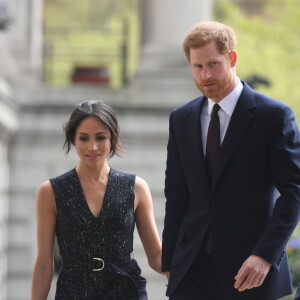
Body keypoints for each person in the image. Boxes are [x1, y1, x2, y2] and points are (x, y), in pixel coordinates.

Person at [161, 21, 300, 300]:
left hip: (249, 269)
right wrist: (170, 263)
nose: (205, 75)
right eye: (197, 67)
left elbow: (294, 191)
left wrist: (264, 255)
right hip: (193, 269)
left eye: (213, 64)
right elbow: (176, 195)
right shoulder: (181, 119)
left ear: (232, 58)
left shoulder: (273, 116)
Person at [31, 100, 163, 299]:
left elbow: (157, 257)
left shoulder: (136, 188)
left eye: (100, 138)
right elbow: (43, 264)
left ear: (113, 139)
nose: (92, 147)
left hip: (125, 291)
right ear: (73, 139)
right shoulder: (50, 191)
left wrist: (190, 273)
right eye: (84, 138)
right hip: (73, 292)